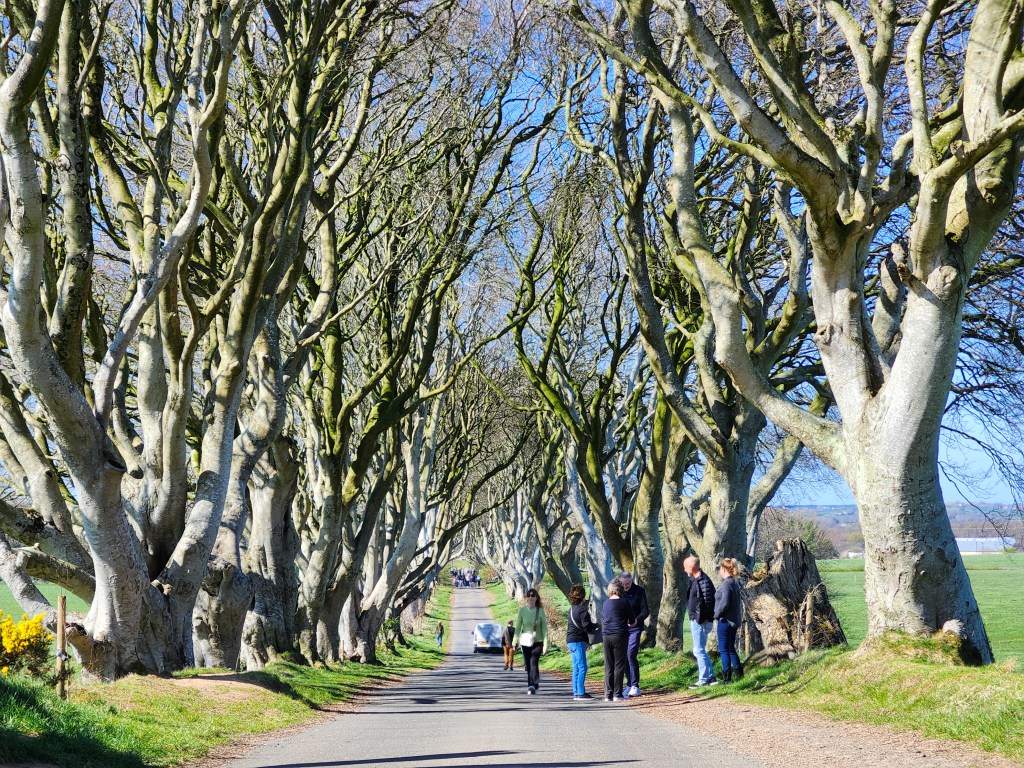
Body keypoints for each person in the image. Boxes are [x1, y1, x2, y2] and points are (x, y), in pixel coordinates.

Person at [684, 555, 718, 688]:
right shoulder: (696, 580)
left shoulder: (704, 581)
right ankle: (710, 677)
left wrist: (699, 618)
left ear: (691, 567)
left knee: (698, 650)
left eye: (685, 567)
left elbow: (708, 602)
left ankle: (704, 679)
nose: (684, 569)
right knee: (699, 650)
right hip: (697, 620)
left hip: (701, 621)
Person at [601, 579, 635, 701]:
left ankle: (608, 694)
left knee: (608, 665)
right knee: (619, 664)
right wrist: (630, 623)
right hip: (619, 635)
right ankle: (617, 694)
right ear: (620, 589)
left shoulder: (605, 603)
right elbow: (632, 620)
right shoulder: (624, 602)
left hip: (606, 635)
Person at [619, 571, 649, 698]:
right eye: (623, 584)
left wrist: (636, 620)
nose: (626, 586)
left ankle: (635, 685)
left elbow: (645, 611)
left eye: (628, 583)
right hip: (622, 628)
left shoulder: (639, 591)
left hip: (635, 628)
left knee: (631, 654)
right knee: (624, 655)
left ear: (632, 581)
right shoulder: (618, 592)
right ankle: (629, 684)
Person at [566, 583, 598, 700]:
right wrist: (596, 626)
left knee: (576, 667)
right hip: (578, 640)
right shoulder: (582, 610)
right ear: (582, 597)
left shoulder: (571, 609)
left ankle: (576, 691)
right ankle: (580, 692)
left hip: (570, 640)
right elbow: (586, 626)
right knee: (582, 667)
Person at [715, 557, 744, 683]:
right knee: (731, 647)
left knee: (723, 649)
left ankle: (726, 678)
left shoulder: (727, 584)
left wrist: (716, 615)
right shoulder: (734, 582)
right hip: (734, 620)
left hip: (726, 621)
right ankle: (739, 674)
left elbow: (724, 603)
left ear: (723, 568)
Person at [514, 588, 548, 694]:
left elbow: (544, 629)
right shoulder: (522, 611)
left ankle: (532, 685)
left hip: (538, 642)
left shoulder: (540, 611)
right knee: (528, 664)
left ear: (536, 598)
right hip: (525, 642)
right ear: (526, 598)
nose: (530, 597)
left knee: (533, 662)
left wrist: (545, 644)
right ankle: (533, 683)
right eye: (528, 595)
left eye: (533, 596)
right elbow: (518, 627)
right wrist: (514, 642)